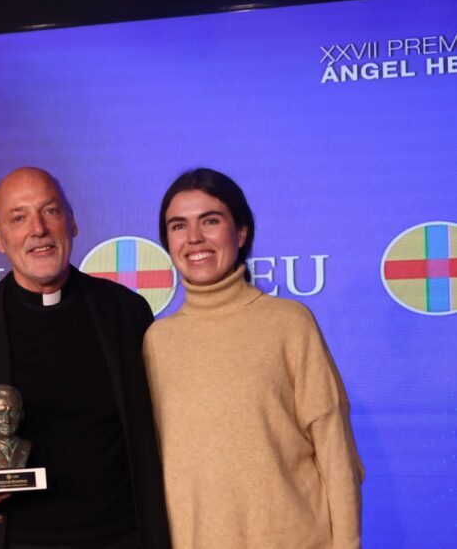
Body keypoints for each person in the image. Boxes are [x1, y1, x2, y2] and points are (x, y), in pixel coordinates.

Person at [0, 166, 171, 549]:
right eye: (18, 218)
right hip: (10, 539)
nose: (38, 229)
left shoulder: (126, 313)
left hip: (120, 537)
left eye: (50, 211)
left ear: (72, 223)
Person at [143, 167, 363, 548]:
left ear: (241, 232)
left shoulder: (289, 323)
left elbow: (336, 453)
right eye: (178, 226)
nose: (194, 238)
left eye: (210, 221)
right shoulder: (156, 342)